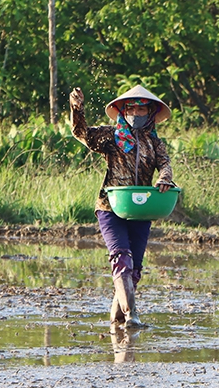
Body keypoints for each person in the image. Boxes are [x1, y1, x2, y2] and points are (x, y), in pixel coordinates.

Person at [69, 84, 176, 330]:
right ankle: (132, 315)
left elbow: (165, 164)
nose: (136, 114)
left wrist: (164, 178)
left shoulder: (154, 143)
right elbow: (81, 133)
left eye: (142, 110)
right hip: (112, 207)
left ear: (150, 114)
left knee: (135, 269)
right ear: (123, 111)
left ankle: (117, 318)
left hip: (142, 209)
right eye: (131, 109)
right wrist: (77, 108)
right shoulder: (112, 137)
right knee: (122, 259)